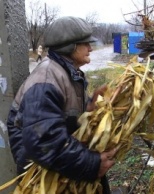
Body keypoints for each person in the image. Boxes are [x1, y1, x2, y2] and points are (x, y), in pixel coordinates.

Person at [7, 16, 117, 193]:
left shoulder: (68, 72)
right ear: (70, 46)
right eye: (85, 43)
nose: (90, 48)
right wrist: (92, 164)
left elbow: (59, 117)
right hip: (43, 175)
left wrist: (88, 108)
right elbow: (44, 141)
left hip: (57, 164)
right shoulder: (46, 79)